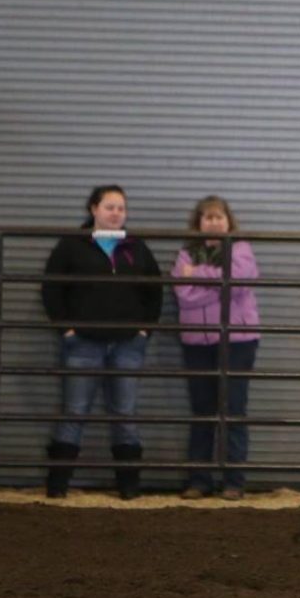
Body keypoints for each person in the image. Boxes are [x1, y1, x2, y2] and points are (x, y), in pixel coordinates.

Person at [41, 185, 163, 500]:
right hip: (83, 342)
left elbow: (155, 290)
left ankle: (129, 489)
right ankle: (57, 487)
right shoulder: (71, 246)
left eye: (121, 208)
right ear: (93, 209)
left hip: (127, 344)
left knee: (125, 413)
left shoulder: (136, 247)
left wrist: (144, 330)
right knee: (75, 411)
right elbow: (51, 287)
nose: (116, 213)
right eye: (110, 207)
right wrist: (66, 327)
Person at [172, 196, 261, 500]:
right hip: (198, 341)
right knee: (203, 411)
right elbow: (184, 296)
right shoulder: (185, 253)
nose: (213, 222)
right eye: (207, 217)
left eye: (218, 217)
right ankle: (199, 480)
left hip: (237, 341)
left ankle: (233, 481)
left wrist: (197, 276)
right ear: (198, 222)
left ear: (228, 221)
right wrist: (219, 287)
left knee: (234, 410)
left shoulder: (241, 249)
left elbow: (238, 282)